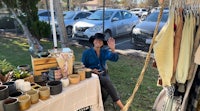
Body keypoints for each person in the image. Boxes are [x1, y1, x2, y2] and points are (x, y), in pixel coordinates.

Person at [82, 33, 124, 110]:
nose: (98, 41)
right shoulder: (86, 53)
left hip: (104, 74)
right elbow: (82, 67)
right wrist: (91, 70)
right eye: (97, 39)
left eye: (101, 40)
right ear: (93, 41)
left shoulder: (104, 52)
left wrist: (113, 49)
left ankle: (100, 105)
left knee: (105, 90)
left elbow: (115, 58)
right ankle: (121, 106)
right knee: (106, 81)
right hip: (92, 76)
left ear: (102, 43)